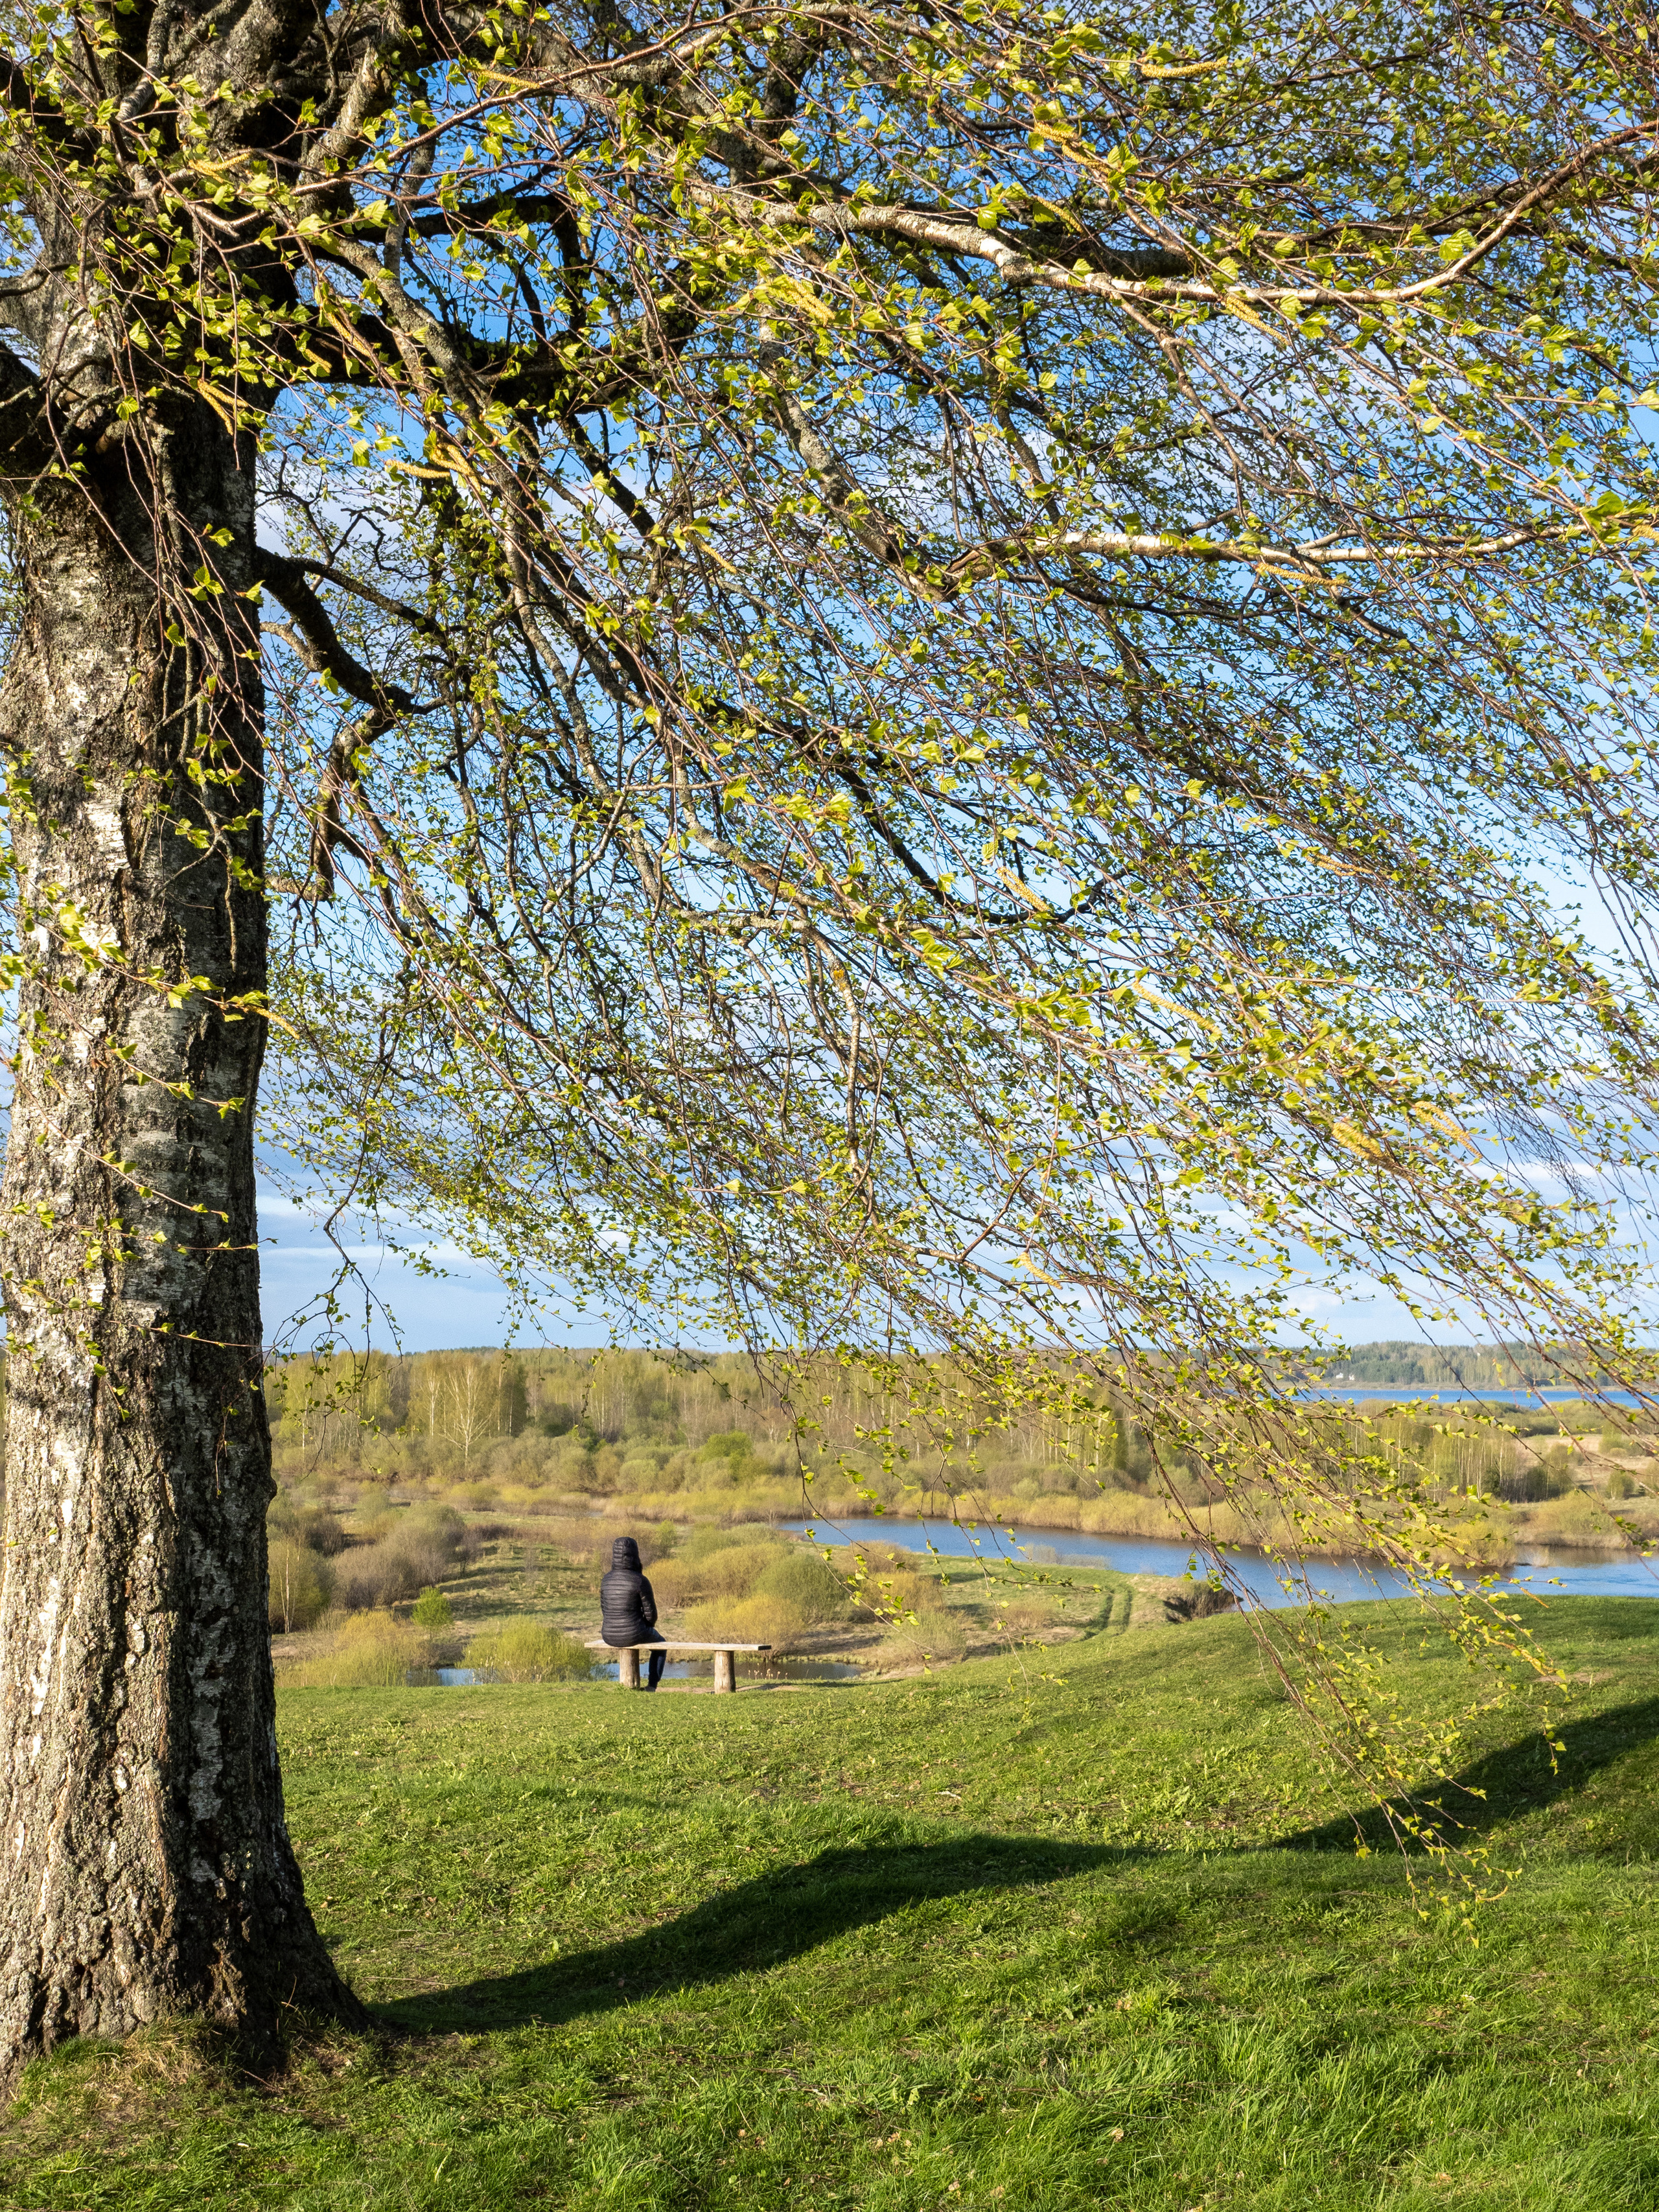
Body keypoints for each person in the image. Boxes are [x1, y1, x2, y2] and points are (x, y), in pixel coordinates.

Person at [599, 1535, 667, 1690]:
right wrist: (647, 1627)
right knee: (661, 1645)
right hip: (635, 1632)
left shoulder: (606, 1579)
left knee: (649, 1640)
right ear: (635, 1555)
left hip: (608, 1635)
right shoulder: (640, 1580)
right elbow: (651, 1614)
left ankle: (628, 1686)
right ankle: (651, 1686)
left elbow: (605, 1610)